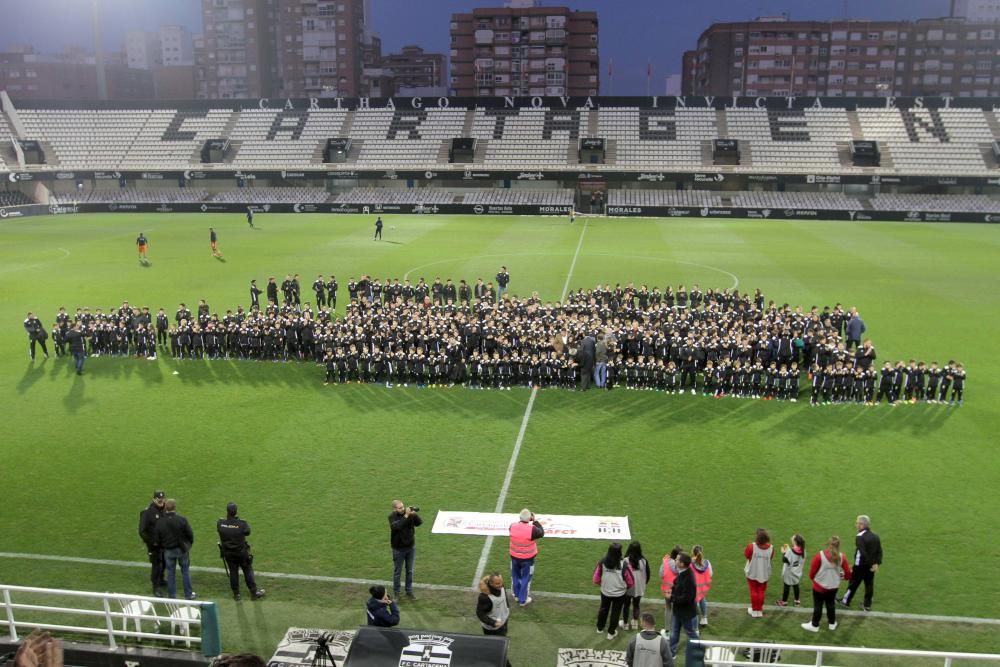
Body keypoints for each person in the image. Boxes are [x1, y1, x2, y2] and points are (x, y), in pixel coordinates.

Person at [217, 502, 265, 601]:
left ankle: (236, 594)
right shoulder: (242, 524)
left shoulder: (220, 523)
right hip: (241, 553)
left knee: (233, 572)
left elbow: (220, 527)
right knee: (247, 570)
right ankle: (253, 592)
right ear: (236, 512)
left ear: (227, 511)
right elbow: (248, 532)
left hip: (228, 553)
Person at [802, 536, 851, 632]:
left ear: (828, 544)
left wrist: (814, 579)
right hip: (833, 587)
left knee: (818, 606)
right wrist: (843, 577)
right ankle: (832, 624)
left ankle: (815, 625)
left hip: (819, 586)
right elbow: (848, 575)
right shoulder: (842, 557)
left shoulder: (820, 555)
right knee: (831, 604)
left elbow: (812, 573)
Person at [153, 498, 195, 600]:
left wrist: (163, 546)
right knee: (185, 571)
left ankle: (172, 596)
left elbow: (157, 539)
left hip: (168, 551)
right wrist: (188, 545)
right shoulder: (182, 520)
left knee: (170, 573)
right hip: (181, 550)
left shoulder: (160, 522)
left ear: (165, 508)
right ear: (175, 507)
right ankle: (188, 595)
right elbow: (190, 535)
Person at [840, 514, 882, 611]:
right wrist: (876, 564)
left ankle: (845, 601)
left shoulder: (859, 537)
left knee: (853, 583)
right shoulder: (876, 537)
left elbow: (863, 553)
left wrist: (871, 563)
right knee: (869, 584)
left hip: (860, 565)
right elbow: (879, 551)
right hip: (871, 567)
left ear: (862, 525)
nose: (856, 525)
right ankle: (867, 605)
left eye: (857, 523)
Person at [594, 541, 634, 640]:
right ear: (619, 552)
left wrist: (604, 585)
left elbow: (596, 579)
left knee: (603, 609)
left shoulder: (602, 562)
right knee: (615, 612)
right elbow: (630, 582)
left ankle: (600, 628)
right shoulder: (624, 564)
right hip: (619, 594)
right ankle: (611, 633)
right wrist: (625, 587)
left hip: (605, 592)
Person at [666, 552, 698, 659]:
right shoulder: (684, 572)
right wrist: (672, 588)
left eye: (677, 560)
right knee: (674, 633)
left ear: (682, 564)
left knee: (691, 633)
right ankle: (671, 653)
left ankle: (699, 650)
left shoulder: (689, 579)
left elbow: (686, 599)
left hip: (686, 613)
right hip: (679, 611)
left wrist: (671, 598)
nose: (675, 560)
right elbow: (677, 582)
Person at [508, 508, 544, 606]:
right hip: (527, 559)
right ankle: (522, 600)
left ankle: (516, 594)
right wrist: (535, 521)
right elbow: (541, 532)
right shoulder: (532, 529)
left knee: (515, 576)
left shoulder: (512, 526)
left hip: (514, 557)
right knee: (525, 578)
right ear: (529, 518)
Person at [388, 500, 423, 598]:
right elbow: (397, 527)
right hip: (398, 549)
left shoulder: (409, 514)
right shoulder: (392, 517)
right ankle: (397, 593)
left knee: (410, 570)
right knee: (397, 572)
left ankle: (409, 591)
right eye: (399, 508)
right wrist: (406, 516)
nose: (402, 509)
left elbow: (419, 523)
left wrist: (414, 514)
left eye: (403, 507)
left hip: (410, 547)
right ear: (394, 509)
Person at [138, 490, 167, 597]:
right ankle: (156, 588)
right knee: (156, 565)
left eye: (162, 499)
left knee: (164, 562)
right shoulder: (147, 513)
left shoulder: (165, 509)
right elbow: (142, 531)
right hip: (154, 545)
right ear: (154, 499)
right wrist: (152, 542)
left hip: (164, 543)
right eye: (159, 499)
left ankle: (161, 579)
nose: (161, 501)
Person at [744, 528, 773, 618]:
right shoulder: (771, 548)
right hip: (764, 573)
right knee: (761, 591)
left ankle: (754, 610)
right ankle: (759, 610)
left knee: (753, 590)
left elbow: (746, 555)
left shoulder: (751, 546)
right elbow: (771, 557)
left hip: (752, 571)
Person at [622, 541, 650, 631]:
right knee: (636, 605)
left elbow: (622, 575)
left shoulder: (625, 560)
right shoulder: (643, 561)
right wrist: (643, 583)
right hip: (639, 587)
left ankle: (625, 624)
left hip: (628, 587)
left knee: (626, 605)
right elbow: (648, 574)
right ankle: (635, 622)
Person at [777, 533, 806, 607]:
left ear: (795, 541)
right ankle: (797, 601)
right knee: (796, 585)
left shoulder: (790, 551)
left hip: (789, 572)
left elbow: (784, 560)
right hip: (797, 571)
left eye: (793, 538)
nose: (792, 538)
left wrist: (783, 553)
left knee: (787, 586)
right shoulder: (803, 550)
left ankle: (784, 602)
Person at [658, 545, 681, 630]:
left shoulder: (665, 562)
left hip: (666, 589)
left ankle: (667, 629)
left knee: (668, 608)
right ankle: (675, 628)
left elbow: (661, 574)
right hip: (677, 590)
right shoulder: (681, 565)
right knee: (676, 609)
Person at [691, 545, 713, 627]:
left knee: (693, 604)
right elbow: (710, 574)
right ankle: (704, 618)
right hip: (702, 587)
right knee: (702, 599)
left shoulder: (690, 563)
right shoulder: (707, 562)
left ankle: (694, 625)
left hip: (693, 588)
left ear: (693, 553)